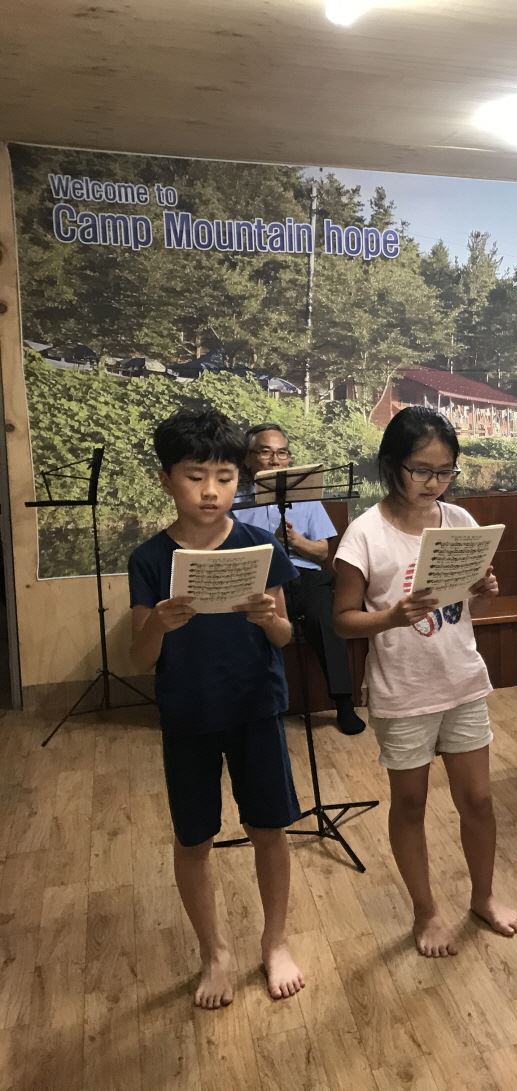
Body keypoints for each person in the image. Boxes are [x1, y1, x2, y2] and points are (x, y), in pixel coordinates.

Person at [128, 409, 304, 1009]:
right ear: (166, 480)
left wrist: (269, 618)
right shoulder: (150, 559)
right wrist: (158, 622)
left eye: (225, 477)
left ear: (238, 480)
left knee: (269, 829)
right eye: (195, 476)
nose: (210, 491)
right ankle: (214, 953)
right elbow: (140, 655)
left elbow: (284, 636)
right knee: (194, 838)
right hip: (188, 712)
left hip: (256, 704)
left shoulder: (259, 544)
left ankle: (274, 941)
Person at [332, 406, 517, 957]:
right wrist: (392, 616)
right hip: (403, 689)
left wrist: (483, 592)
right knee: (411, 803)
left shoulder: (459, 521)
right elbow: (343, 620)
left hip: (461, 678)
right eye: (422, 470)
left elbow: (467, 610)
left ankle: (483, 897)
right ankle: (426, 911)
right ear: (392, 465)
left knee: (478, 799)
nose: (434, 483)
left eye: (445, 472)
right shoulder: (364, 534)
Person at [233, 422, 365, 735]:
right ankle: (258, 708)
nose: (275, 460)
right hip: (261, 579)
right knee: (248, 624)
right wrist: (271, 543)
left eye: (282, 453)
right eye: (265, 453)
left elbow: (322, 552)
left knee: (325, 618)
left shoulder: (306, 497)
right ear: (248, 459)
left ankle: (344, 704)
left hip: (305, 575)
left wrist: (295, 541)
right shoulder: (235, 501)